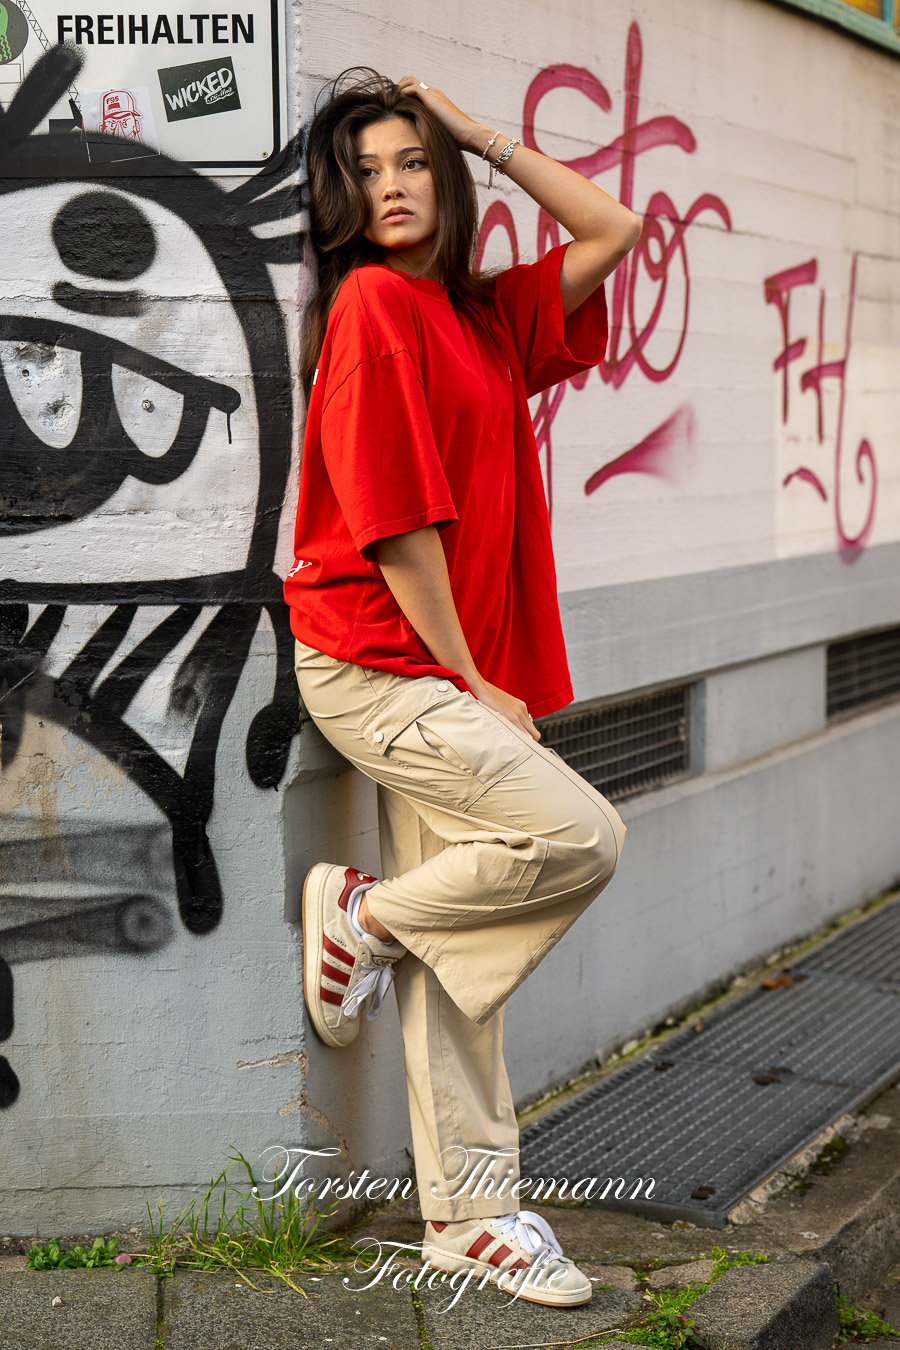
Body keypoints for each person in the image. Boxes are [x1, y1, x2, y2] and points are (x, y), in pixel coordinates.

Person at [284, 67, 641, 1308]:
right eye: (367, 171)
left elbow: (615, 229)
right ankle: (365, 918)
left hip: (439, 670)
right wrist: (467, 676)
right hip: (385, 665)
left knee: (465, 941)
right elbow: (394, 524)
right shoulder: (375, 306)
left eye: (412, 164)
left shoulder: (480, 318)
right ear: (339, 198)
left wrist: (482, 134)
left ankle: (468, 1218)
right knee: (577, 833)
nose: (390, 187)